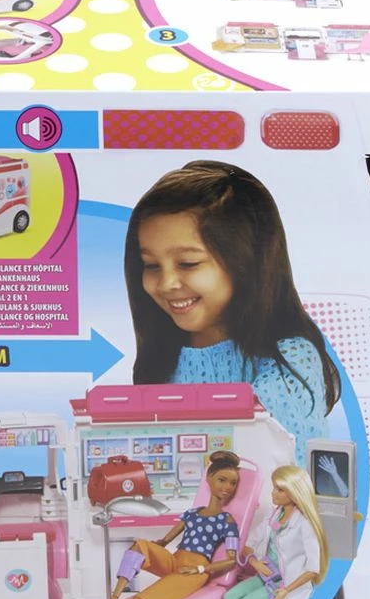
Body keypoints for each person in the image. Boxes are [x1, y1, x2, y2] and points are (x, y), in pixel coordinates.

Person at [124, 160, 341, 466]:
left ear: (245, 261)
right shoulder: (162, 361)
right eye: (151, 265)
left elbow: (275, 477)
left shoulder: (288, 361)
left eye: (188, 263)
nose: (166, 283)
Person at [82, 451, 244, 599]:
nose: (228, 487)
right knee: (139, 545)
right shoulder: (192, 513)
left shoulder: (227, 520)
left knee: (150, 595)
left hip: (194, 571)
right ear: (209, 478)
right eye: (222, 480)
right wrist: (152, 548)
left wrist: (199, 569)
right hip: (175, 560)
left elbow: (231, 561)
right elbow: (165, 540)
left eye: (233, 483)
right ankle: (114, 598)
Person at [225, 464, 328, 599]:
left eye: (280, 489)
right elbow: (249, 545)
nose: (273, 493)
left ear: (294, 492)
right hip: (266, 576)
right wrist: (255, 563)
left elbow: (313, 568)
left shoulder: (304, 524)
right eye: (274, 488)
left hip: (287, 583)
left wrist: (286, 591)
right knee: (230, 598)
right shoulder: (274, 516)